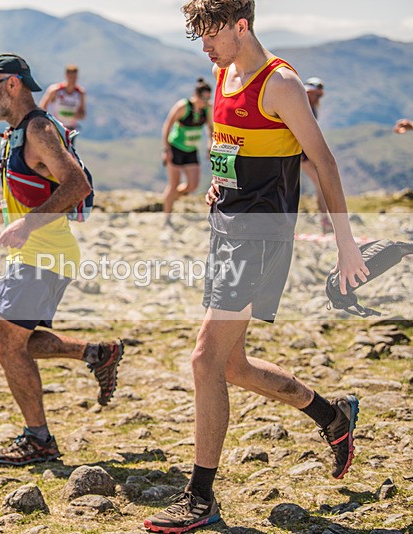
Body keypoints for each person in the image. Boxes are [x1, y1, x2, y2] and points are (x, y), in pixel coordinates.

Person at [142, 1, 370, 532]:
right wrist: (223, 183)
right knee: (231, 366)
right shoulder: (224, 74)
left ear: (241, 25)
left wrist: (346, 244)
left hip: (261, 238)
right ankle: (331, 416)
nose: (204, 46)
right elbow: (232, 147)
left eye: (210, 34)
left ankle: (199, 498)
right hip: (227, 228)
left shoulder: (281, 83)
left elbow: (324, 162)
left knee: (204, 359)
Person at [0, 53, 123, 467]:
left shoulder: (36, 128)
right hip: (36, 252)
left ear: (14, 84)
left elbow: (77, 183)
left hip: (46, 254)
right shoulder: (18, 131)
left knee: (6, 343)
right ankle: (95, 353)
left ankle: (39, 441)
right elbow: (32, 188)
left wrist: (26, 226)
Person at [161, 78, 213, 226]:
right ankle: (167, 217)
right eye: (203, 98)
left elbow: (210, 129)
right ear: (196, 95)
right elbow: (167, 126)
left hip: (191, 150)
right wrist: (166, 149)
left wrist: (210, 145)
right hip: (175, 148)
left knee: (192, 185)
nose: (206, 101)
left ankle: (169, 199)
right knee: (174, 183)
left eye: (208, 98)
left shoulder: (207, 109)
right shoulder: (183, 106)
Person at [300, 77, 332, 233]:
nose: (316, 98)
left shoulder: (311, 107)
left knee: (321, 185)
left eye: (319, 95)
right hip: (301, 154)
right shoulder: (302, 105)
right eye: (314, 94)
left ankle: (324, 220)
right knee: (321, 185)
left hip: (303, 154)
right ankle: (324, 221)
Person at [39, 64, 86, 134]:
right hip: (56, 127)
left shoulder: (80, 93)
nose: (72, 80)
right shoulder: (55, 90)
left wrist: (77, 115)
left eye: (74, 77)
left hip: (71, 129)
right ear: (66, 76)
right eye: (70, 77)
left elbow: (83, 115)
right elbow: (42, 107)